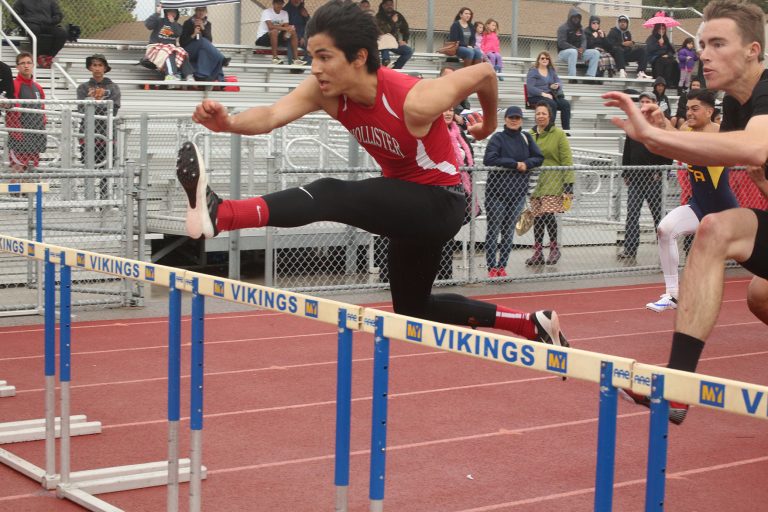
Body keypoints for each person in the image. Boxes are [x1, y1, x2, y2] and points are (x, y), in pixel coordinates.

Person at [177, 0, 570, 348]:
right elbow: (271, 115)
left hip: (442, 202)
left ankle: (222, 214)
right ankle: (530, 323)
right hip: (405, 202)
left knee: (332, 192)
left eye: (324, 57)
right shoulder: (324, 91)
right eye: (312, 56)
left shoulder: (416, 99)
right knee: (414, 310)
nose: (315, 68)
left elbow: (485, 71)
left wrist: (484, 128)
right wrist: (228, 123)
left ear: (359, 57)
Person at [603, 0, 768, 425]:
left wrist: (656, 138)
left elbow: (753, 148)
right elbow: (721, 151)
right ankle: (677, 388)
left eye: (717, 43)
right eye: (702, 44)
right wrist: (665, 132)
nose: (703, 55)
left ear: (752, 50)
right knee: (730, 252)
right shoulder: (735, 103)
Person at [646, 89, 737, 312]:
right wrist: (659, 122)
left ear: (710, 111)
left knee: (756, 261)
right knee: (665, 230)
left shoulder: (721, 134)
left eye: (695, 109)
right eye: (687, 108)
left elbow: (686, 148)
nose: (690, 113)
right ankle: (673, 294)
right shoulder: (687, 129)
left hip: (725, 214)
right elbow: (673, 138)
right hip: (699, 207)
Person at [483, 106, 544, 277]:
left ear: (522, 120)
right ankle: (491, 267)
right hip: (496, 193)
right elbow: (489, 159)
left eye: (517, 117)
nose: (514, 120)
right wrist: (515, 164)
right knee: (493, 230)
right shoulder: (498, 138)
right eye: (511, 117)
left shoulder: (526, 137)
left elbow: (539, 157)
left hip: (518, 194)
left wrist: (527, 163)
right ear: (505, 119)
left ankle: (502, 266)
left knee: (508, 231)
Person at [616, 92, 672, 260]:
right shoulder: (633, 124)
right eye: (642, 102)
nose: (645, 104)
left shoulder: (660, 125)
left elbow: (668, 151)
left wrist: (661, 172)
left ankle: (666, 250)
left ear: (655, 104)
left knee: (659, 217)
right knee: (632, 214)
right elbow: (627, 151)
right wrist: (626, 172)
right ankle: (630, 249)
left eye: (648, 101)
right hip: (635, 179)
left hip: (653, 180)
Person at [527, 102, 574, 266]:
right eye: (538, 113)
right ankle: (538, 251)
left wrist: (569, 183)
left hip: (553, 180)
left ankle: (554, 248)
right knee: (537, 217)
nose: (540, 116)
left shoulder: (558, 134)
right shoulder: (530, 134)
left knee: (548, 214)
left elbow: (567, 159)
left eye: (543, 113)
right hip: (534, 182)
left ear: (550, 116)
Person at [76, 54, 121, 198]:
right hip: (88, 134)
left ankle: (104, 199)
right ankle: (89, 200)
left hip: (107, 134)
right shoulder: (83, 88)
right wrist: (100, 103)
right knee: (88, 169)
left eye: (100, 65)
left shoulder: (113, 87)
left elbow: (113, 110)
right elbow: (82, 109)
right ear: (90, 67)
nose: (97, 68)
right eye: (94, 65)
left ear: (105, 68)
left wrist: (95, 102)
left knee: (106, 170)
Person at [6, 52, 46, 177]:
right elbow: (11, 110)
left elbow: (43, 110)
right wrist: (17, 134)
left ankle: (28, 196)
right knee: (18, 172)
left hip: (35, 135)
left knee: (32, 173)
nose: (26, 66)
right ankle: (15, 196)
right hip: (19, 136)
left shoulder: (38, 87)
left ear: (33, 65)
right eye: (22, 63)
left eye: (29, 63)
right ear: (17, 67)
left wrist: (41, 131)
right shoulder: (12, 85)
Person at [12, 0, 68, 69]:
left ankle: (49, 57)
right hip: (31, 25)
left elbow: (58, 15)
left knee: (62, 33)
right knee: (34, 30)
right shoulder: (21, 1)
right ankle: (39, 56)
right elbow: (14, 16)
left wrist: (50, 21)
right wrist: (30, 20)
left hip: (48, 24)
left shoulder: (51, 1)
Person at [144, 6, 195, 81]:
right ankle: (171, 75)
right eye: (170, 11)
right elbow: (148, 25)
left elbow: (179, 33)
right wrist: (157, 13)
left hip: (170, 48)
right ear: (166, 13)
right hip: (156, 47)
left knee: (181, 52)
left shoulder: (177, 25)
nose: (172, 13)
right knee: (169, 51)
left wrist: (173, 23)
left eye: (174, 12)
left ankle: (188, 75)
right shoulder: (159, 21)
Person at [180, 6, 228, 82]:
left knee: (204, 49)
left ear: (206, 12)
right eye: (199, 10)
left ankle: (202, 75)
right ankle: (221, 59)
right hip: (188, 51)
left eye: (203, 10)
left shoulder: (207, 24)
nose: (201, 12)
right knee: (202, 41)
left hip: (200, 49)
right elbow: (182, 42)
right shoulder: (188, 23)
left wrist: (203, 28)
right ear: (195, 11)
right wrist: (193, 35)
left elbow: (209, 41)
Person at [526, 51, 571, 131]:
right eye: (542, 58)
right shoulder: (533, 71)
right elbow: (530, 87)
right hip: (535, 96)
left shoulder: (551, 71)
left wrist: (557, 85)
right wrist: (543, 94)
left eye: (547, 58)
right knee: (551, 104)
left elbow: (559, 81)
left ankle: (566, 130)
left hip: (550, 95)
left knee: (565, 104)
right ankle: (549, 129)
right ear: (538, 60)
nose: (545, 60)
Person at [255, 0, 307, 66]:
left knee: (292, 31)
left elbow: (286, 28)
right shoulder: (267, 12)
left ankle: (295, 59)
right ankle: (275, 58)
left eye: (281, 3)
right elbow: (270, 27)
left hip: (276, 38)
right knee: (274, 31)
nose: (279, 5)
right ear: (273, 4)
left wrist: (288, 32)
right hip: (263, 39)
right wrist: (286, 28)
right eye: (277, 3)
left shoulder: (284, 13)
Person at [556, 8, 599, 78]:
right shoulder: (562, 28)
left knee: (595, 53)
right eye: (574, 17)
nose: (576, 19)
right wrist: (576, 49)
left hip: (578, 53)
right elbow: (561, 43)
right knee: (573, 52)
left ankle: (590, 76)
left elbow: (584, 40)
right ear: (570, 17)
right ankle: (572, 77)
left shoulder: (580, 28)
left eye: (578, 17)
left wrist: (582, 49)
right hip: (563, 54)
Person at [606, 14, 649, 79]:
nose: (623, 23)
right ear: (618, 23)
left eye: (624, 22)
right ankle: (622, 70)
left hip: (625, 54)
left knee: (642, 51)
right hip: (616, 55)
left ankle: (641, 72)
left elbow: (628, 47)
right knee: (618, 49)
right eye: (621, 22)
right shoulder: (613, 32)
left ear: (627, 23)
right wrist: (622, 44)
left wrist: (631, 44)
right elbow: (609, 45)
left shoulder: (627, 33)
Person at [375, 0, 412, 70]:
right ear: (383, 5)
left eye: (391, 4)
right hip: (382, 43)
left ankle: (395, 68)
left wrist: (405, 40)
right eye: (387, 4)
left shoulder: (397, 15)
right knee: (384, 46)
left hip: (394, 42)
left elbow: (405, 28)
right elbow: (382, 32)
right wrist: (392, 22)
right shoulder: (379, 16)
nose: (390, 6)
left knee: (408, 51)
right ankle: (386, 64)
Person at [284, 0, 312, 64]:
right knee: (291, 46)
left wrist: (307, 16)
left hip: (302, 37)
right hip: (291, 37)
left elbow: (309, 25)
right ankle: (293, 67)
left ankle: (303, 67)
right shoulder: (286, 10)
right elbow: (285, 28)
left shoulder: (302, 9)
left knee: (312, 47)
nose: (297, 1)